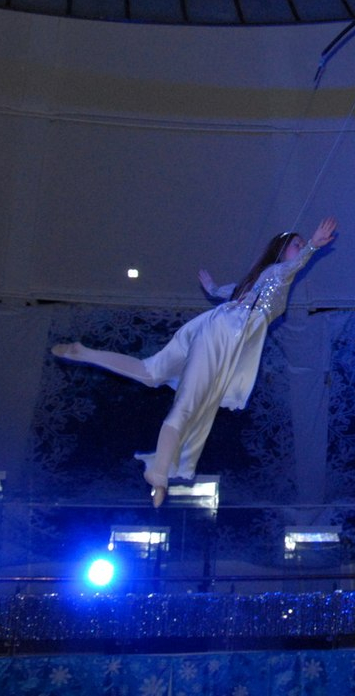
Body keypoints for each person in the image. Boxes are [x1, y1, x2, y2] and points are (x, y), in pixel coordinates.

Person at [52, 217, 338, 507]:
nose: (300, 246)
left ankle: (85, 353)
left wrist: (212, 288)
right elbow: (290, 267)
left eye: (301, 244)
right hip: (224, 334)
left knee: (151, 374)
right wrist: (313, 245)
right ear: (281, 249)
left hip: (217, 330)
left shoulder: (264, 278)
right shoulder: (278, 272)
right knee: (188, 407)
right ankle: (159, 476)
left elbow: (230, 291)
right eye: (296, 244)